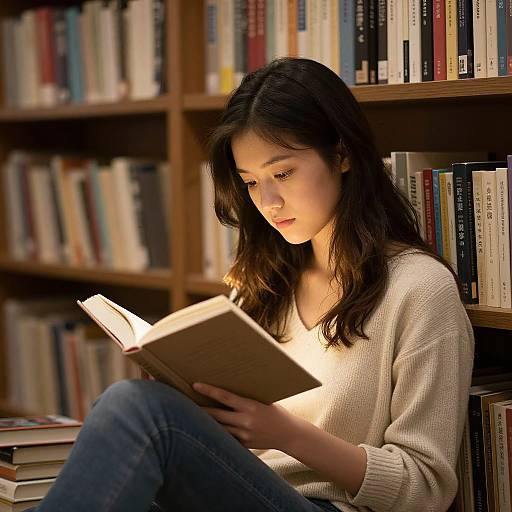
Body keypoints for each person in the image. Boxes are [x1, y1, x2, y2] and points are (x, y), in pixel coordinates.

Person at [28, 57, 473, 512]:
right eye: (251, 183)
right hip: (242, 492)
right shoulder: (264, 284)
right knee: (141, 414)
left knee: (136, 410)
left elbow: (427, 488)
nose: (269, 201)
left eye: (283, 173)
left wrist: (284, 433)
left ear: (341, 154)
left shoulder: (418, 290)